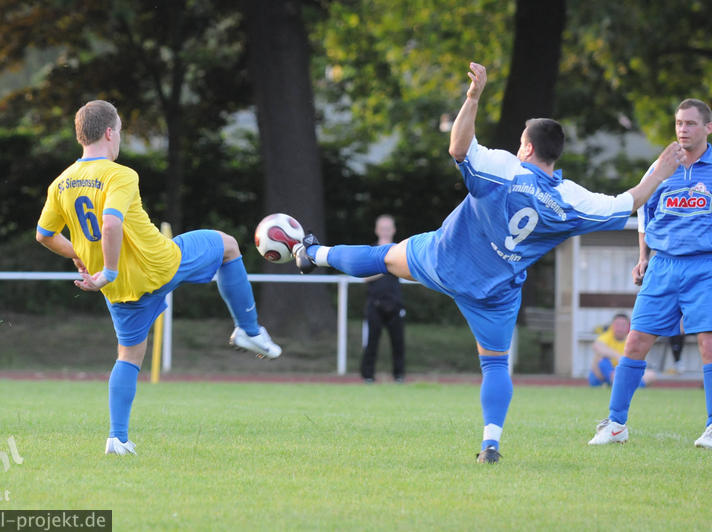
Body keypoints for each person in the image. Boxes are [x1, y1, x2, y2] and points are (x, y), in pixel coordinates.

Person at [292, 62, 684, 463]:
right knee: (495, 364)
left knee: (381, 256)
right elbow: (630, 201)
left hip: (445, 259)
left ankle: (314, 254)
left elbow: (458, 148)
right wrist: (661, 170)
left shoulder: (504, 168)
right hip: (494, 292)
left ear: (527, 148)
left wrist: (473, 97)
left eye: (520, 142)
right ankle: (490, 444)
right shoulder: (572, 199)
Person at [35, 100, 281, 456]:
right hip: (160, 264)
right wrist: (109, 268)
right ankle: (249, 330)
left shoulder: (60, 184)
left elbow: (44, 235)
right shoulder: (120, 175)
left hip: (120, 289)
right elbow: (110, 223)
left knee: (128, 356)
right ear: (109, 133)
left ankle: (117, 438)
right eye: (120, 131)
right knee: (228, 246)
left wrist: (82, 256)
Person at [588, 98, 712, 449]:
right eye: (679, 123)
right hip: (663, 265)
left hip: (705, 265)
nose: (683, 130)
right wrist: (643, 256)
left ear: (708, 128)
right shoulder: (661, 167)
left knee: (708, 343)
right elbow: (643, 211)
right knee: (636, 341)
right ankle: (616, 424)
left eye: (690, 123)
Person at [360, 215, 405, 383]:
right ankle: (368, 376)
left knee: (398, 343)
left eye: (388, 228)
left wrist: (387, 266)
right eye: (382, 228)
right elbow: (365, 276)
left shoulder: (400, 250)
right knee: (371, 342)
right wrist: (386, 266)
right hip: (374, 304)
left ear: (393, 230)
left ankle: (399, 376)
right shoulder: (370, 251)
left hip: (395, 304)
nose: (385, 231)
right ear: (377, 230)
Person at [588, 313, 655, 387]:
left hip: (623, 372)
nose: (620, 328)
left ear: (628, 326)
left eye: (623, 325)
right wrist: (618, 357)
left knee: (650, 375)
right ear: (612, 326)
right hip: (602, 374)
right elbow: (597, 346)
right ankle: (618, 381)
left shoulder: (633, 339)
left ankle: (620, 383)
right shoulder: (606, 336)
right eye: (617, 325)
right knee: (600, 358)